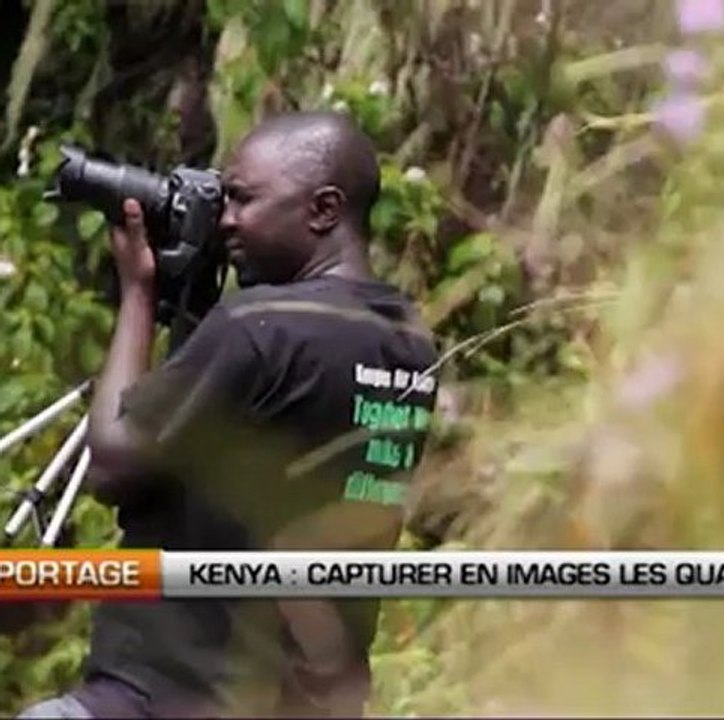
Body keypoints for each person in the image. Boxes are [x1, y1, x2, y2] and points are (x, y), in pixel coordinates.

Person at [18, 111, 439, 718]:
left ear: (322, 210)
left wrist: (139, 291)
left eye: (244, 200)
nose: (226, 220)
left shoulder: (259, 330)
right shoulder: (408, 341)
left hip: (166, 693)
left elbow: (111, 463)